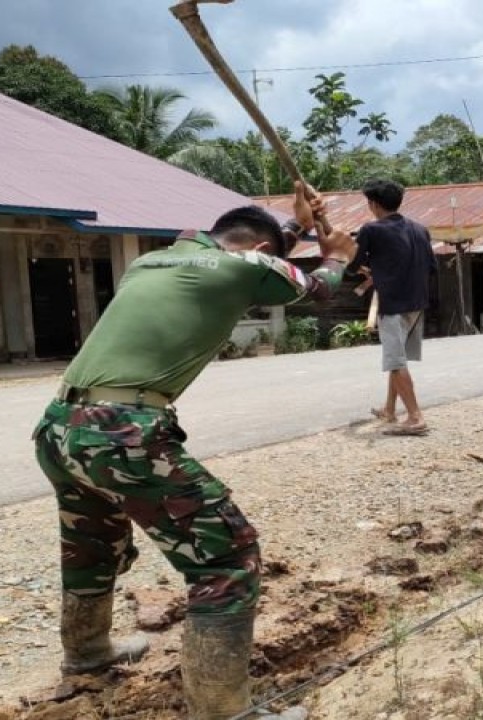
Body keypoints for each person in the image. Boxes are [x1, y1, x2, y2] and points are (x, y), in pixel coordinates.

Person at [32, 184, 351, 719]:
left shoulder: (154, 261)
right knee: (228, 559)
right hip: (123, 430)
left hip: (59, 425)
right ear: (261, 251)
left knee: (92, 542)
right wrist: (338, 253)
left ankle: (86, 654)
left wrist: (293, 228)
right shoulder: (245, 265)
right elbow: (316, 289)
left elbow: (253, 258)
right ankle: (223, 711)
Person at [354, 179, 437, 436]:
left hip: (392, 305)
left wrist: (363, 268)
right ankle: (390, 409)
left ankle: (415, 417)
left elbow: (354, 263)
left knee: (395, 360)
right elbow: (432, 267)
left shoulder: (371, 230)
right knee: (397, 357)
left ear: (373, 204)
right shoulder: (420, 230)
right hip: (416, 303)